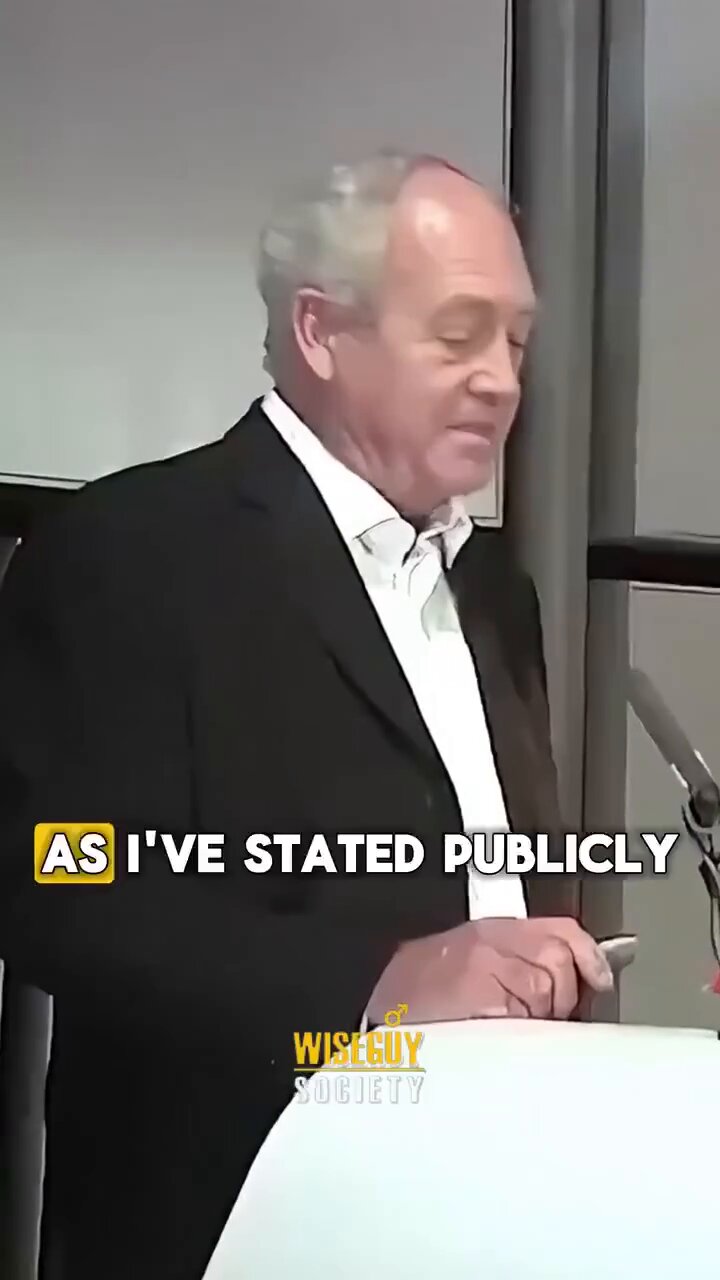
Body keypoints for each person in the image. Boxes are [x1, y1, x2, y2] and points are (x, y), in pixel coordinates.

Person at [0, 150, 613, 1279]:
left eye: (517, 343)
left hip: (492, 1207)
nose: (499, 380)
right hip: (234, 1223)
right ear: (322, 332)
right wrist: (378, 984)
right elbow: (61, 890)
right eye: (459, 335)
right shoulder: (132, 553)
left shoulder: (496, 591)